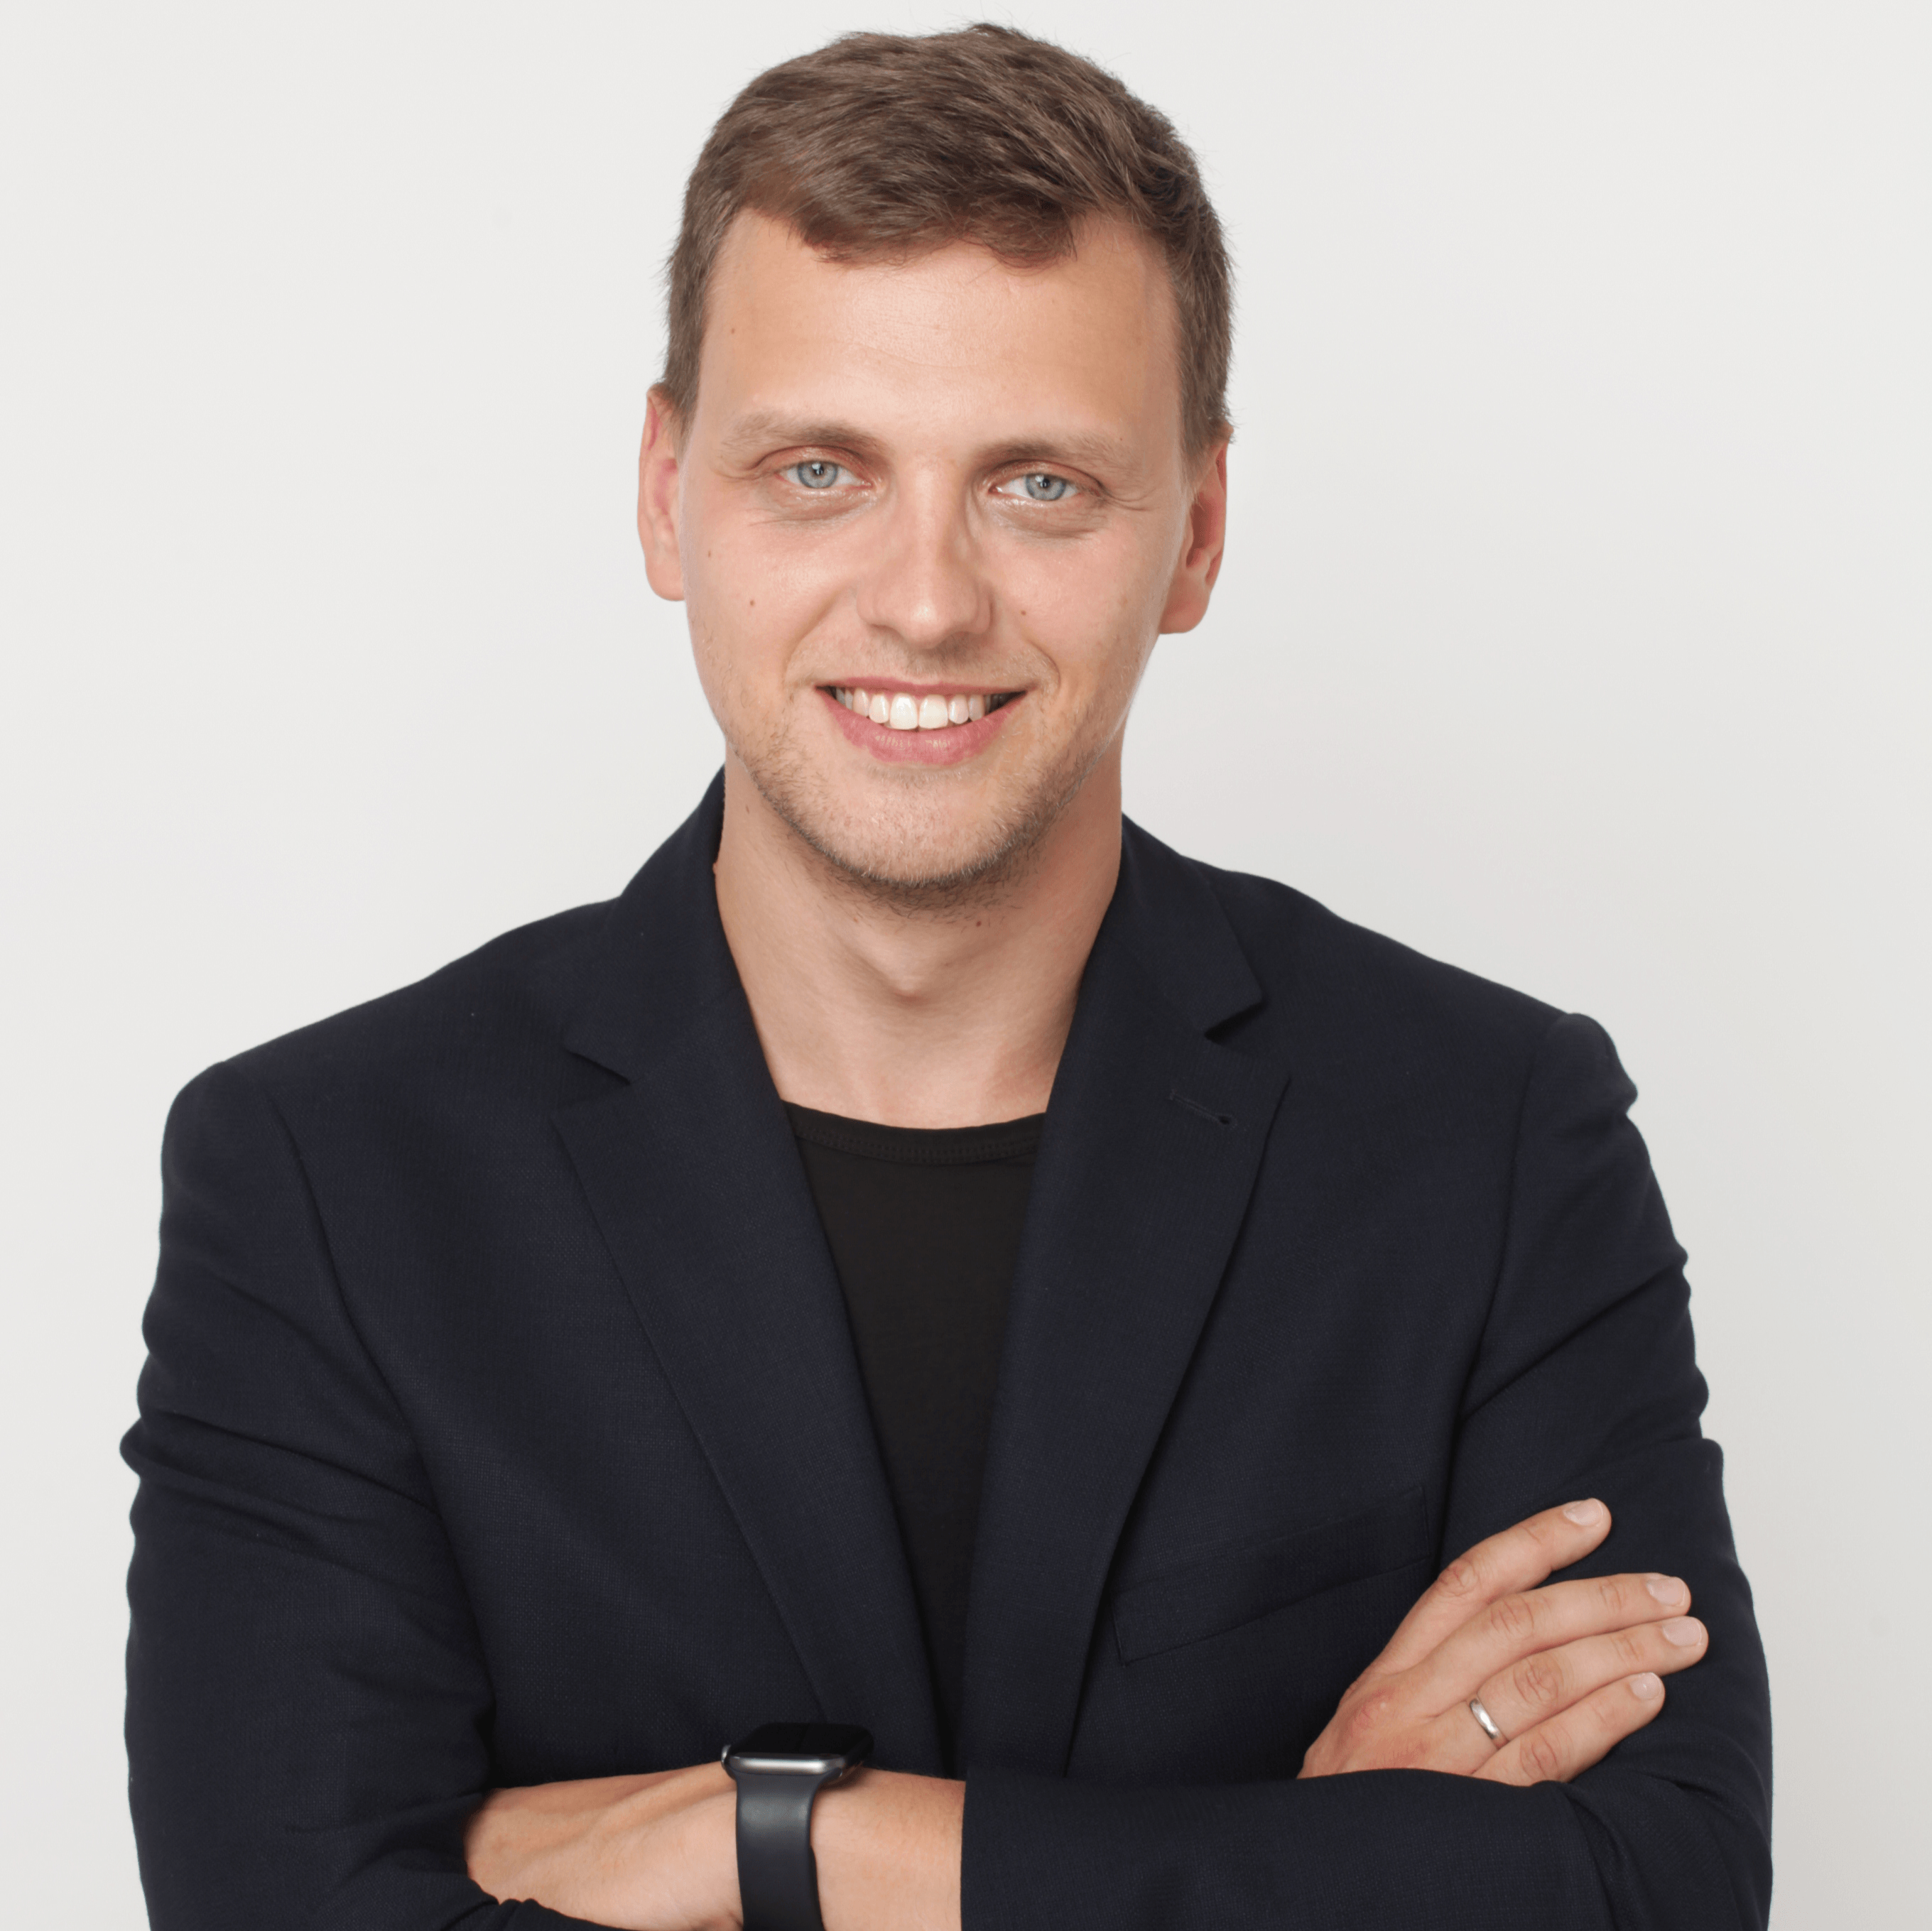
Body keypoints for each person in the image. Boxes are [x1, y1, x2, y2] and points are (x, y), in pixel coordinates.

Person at [122, 23, 1771, 1931]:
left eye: (1040, 484)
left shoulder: (1490, 1135)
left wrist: (775, 1841)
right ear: (666, 494)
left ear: (1195, 532)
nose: (924, 600)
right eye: (820, 469)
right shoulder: (324, 1180)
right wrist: (1303, 1848)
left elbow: (1656, 1895)